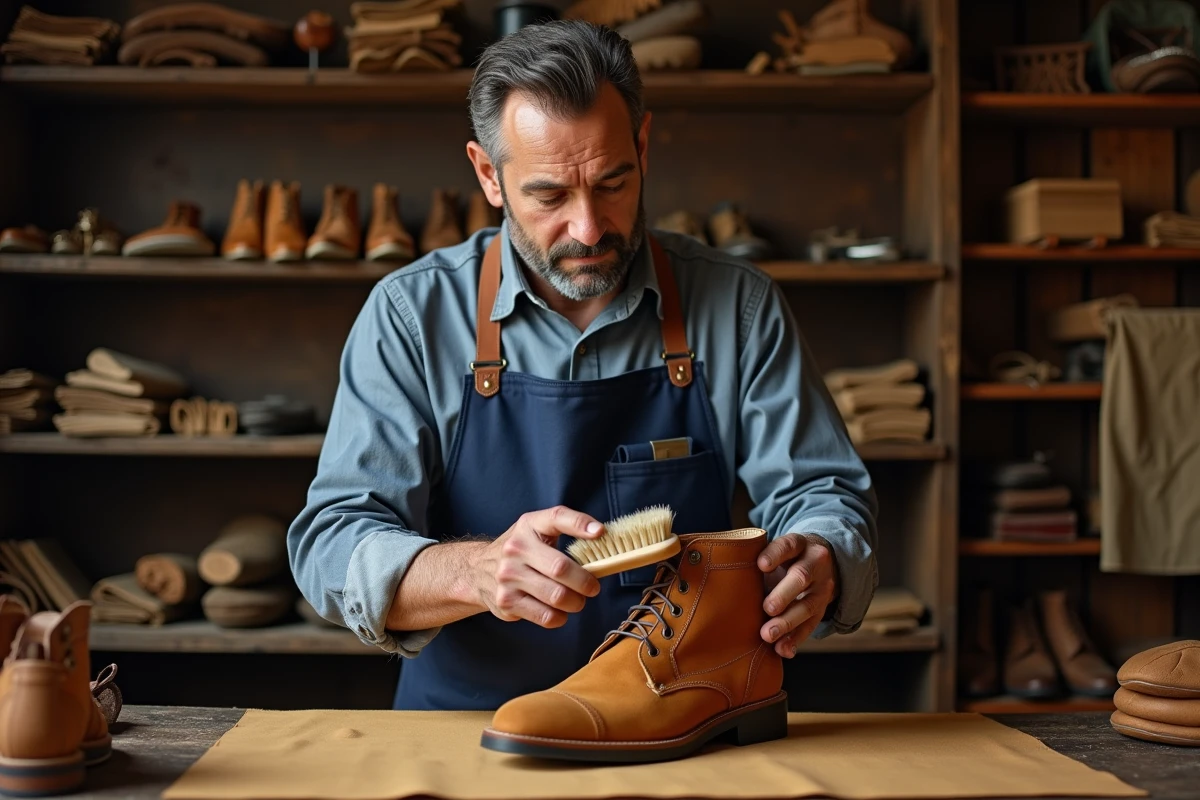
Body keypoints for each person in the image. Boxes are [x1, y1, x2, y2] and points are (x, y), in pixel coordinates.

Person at [288, 20, 878, 711]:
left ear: (643, 147)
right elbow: (333, 544)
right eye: (550, 196)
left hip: (678, 719)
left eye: (612, 183)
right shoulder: (411, 317)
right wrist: (475, 572)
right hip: (468, 731)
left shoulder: (739, 307)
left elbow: (824, 493)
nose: (589, 228)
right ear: (489, 175)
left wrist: (822, 556)